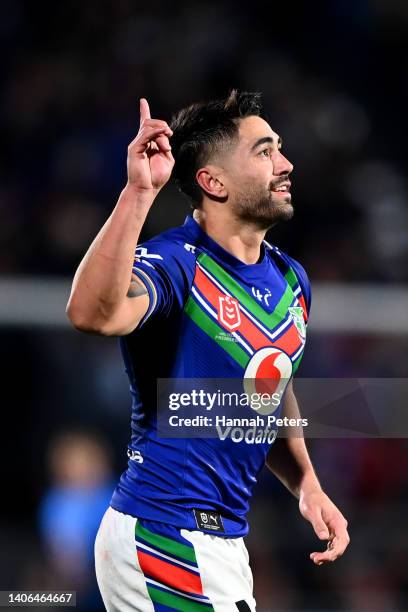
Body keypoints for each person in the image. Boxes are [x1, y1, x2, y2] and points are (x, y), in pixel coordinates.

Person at [67, 90, 350, 611]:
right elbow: (93, 314)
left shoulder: (291, 280)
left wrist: (307, 483)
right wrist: (137, 194)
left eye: (279, 149)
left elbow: (270, 386)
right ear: (213, 182)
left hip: (222, 543)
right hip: (163, 531)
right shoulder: (175, 264)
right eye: (264, 152)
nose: (285, 164)